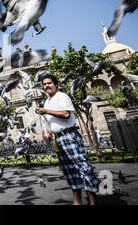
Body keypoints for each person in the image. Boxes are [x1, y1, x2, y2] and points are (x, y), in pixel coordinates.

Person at [36, 74, 99, 205]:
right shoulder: (47, 102)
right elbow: (48, 123)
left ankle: (93, 203)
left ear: (56, 84)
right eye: (44, 84)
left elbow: (65, 114)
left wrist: (46, 111)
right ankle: (77, 202)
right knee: (70, 171)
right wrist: (46, 133)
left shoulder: (62, 96)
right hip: (58, 139)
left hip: (69, 136)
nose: (47, 86)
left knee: (83, 169)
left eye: (49, 83)